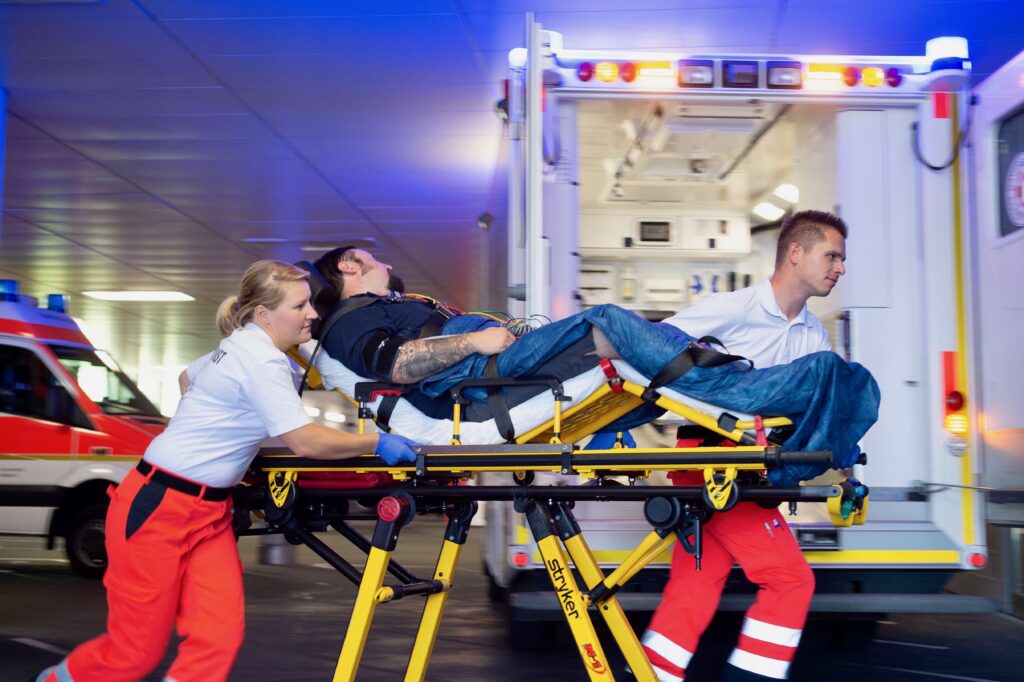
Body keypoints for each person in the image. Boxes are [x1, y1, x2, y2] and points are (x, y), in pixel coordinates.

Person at [36, 260, 417, 682]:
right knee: (134, 653)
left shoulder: (242, 345)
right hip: (158, 507)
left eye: (309, 303)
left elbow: (187, 378)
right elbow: (305, 441)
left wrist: (218, 435)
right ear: (264, 314)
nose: (312, 313)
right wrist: (375, 443)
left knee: (216, 638)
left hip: (209, 512)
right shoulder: (260, 361)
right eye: (300, 305)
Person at [311, 241, 877, 487]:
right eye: (373, 258)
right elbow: (399, 365)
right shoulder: (349, 320)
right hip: (474, 380)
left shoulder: (388, 305)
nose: (385, 264)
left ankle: (768, 389)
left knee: (643, 365)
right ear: (350, 265)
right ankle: (754, 391)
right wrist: (475, 343)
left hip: (488, 364)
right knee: (605, 322)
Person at [640, 209, 851, 682]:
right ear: (795, 253)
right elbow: (653, 346)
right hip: (714, 464)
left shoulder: (814, 335)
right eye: (831, 256)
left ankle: (651, 674)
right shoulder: (734, 308)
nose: (840, 268)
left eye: (841, 259)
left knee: (695, 584)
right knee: (790, 580)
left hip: (749, 468)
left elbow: (821, 408)